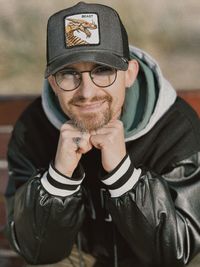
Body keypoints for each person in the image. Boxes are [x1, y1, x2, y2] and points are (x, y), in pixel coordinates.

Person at [4, 2, 200, 267]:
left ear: (129, 74)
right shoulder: (34, 128)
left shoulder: (175, 128)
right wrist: (59, 176)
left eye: (103, 70)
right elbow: (37, 252)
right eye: (69, 74)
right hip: (78, 259)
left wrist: (124, 176)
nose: (87, 92)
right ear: (53, 82)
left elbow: (179, 250)